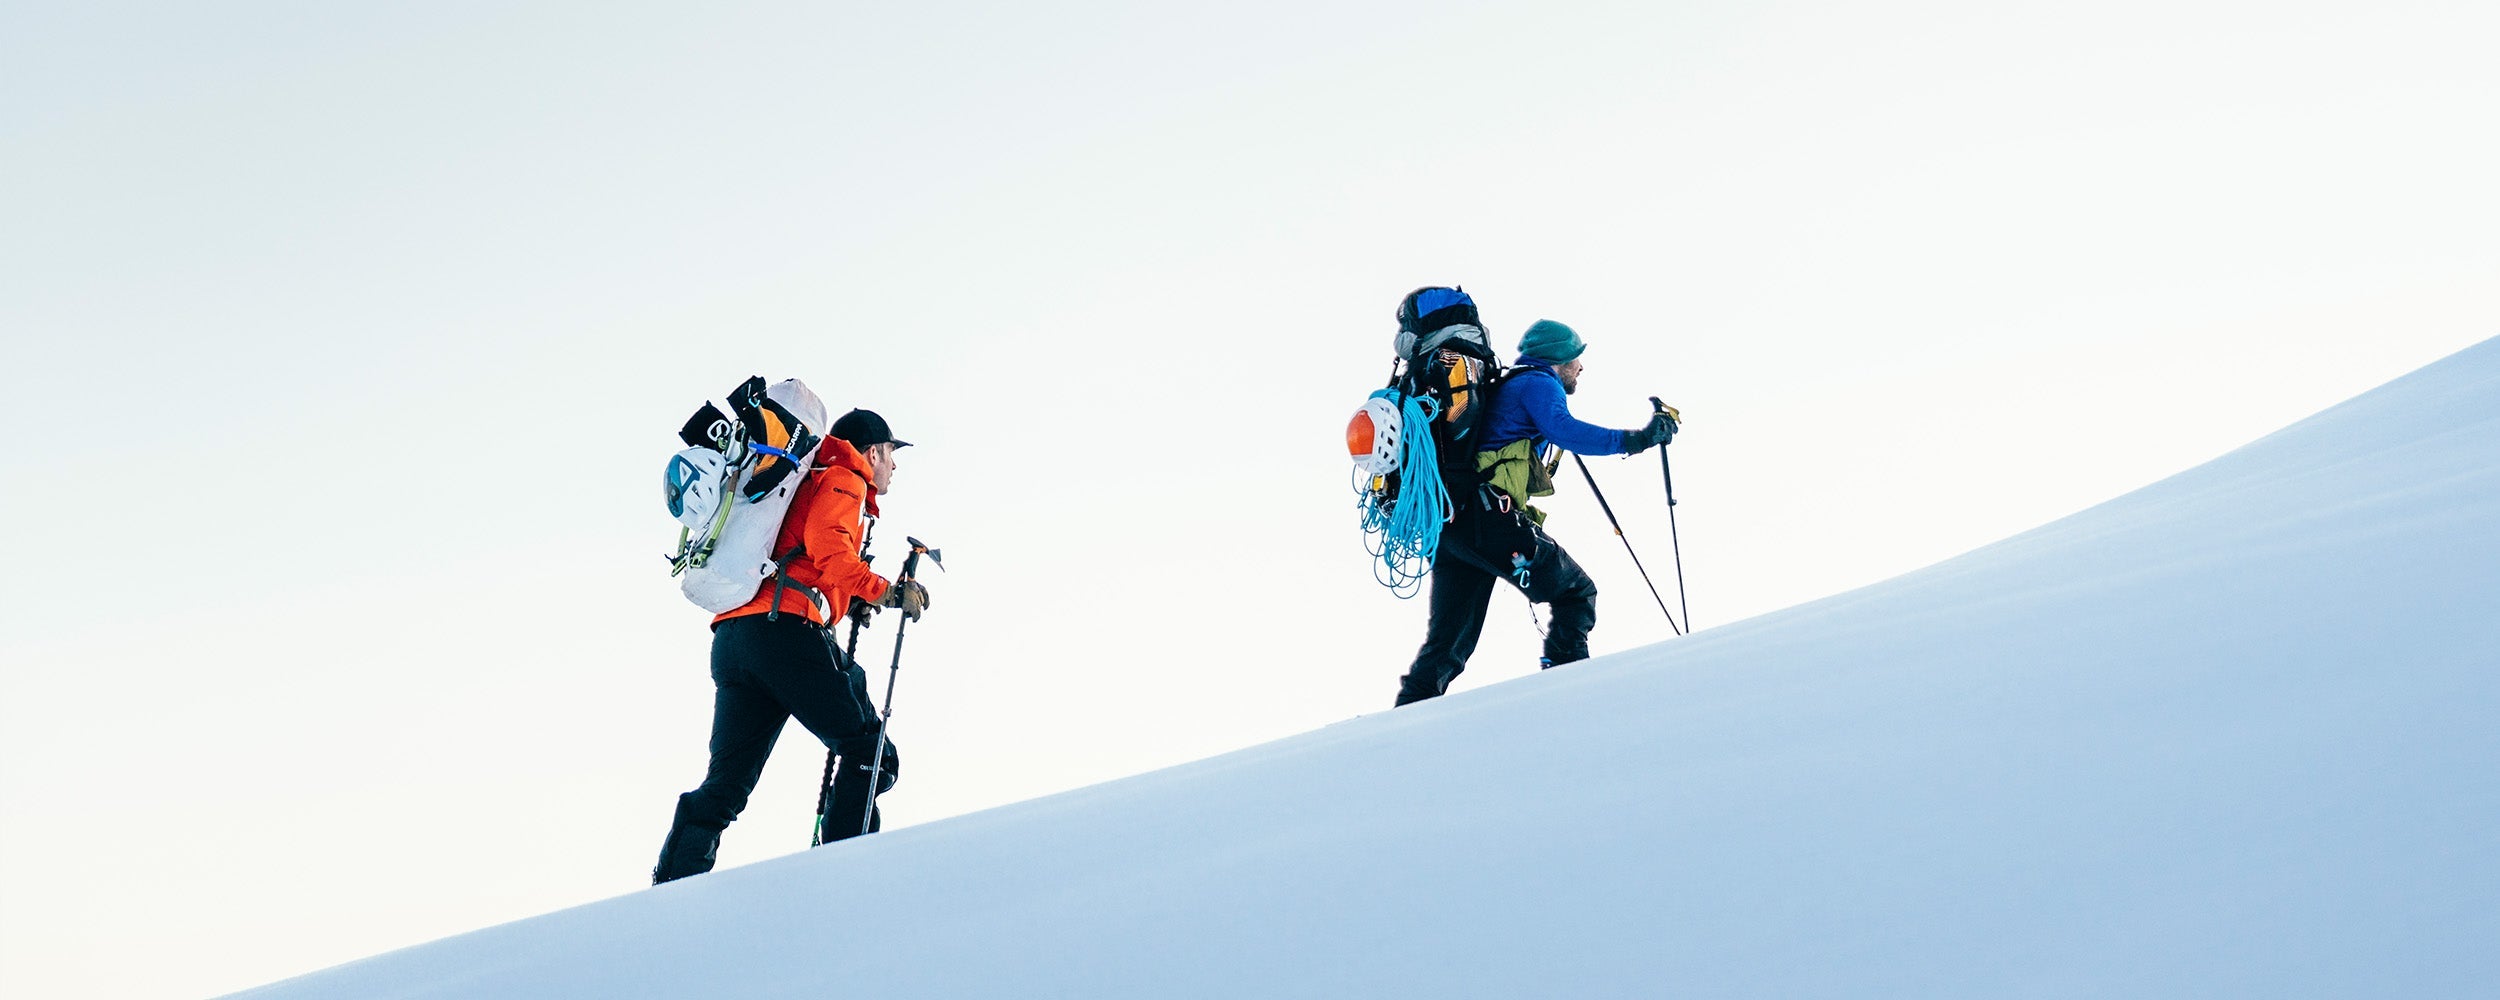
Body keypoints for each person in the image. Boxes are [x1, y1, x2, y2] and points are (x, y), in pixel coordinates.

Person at [652, 408, 932, 884]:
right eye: (890, 454)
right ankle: (849, 863)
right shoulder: (844, 478)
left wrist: (847, 601)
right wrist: (885, 591)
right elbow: (830, 551)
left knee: (726, 786)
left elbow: (807, 558)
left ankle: (673, 881)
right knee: (871, 750)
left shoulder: (807, 481)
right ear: (872, 452)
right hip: (782, 632)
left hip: (736, 640)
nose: (894, 466)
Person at [1394, 319, 1675, 706]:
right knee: (1576, 593)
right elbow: (1564, 430)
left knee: (1447, 643)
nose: (1580, 368)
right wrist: (1638, 439)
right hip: (1489, 519)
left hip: (1453, 527)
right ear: (1559, 359)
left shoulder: (1512, 385)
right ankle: (1569, 690)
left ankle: (1404, 719)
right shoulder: (1538, 383)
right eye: (1576, 359)